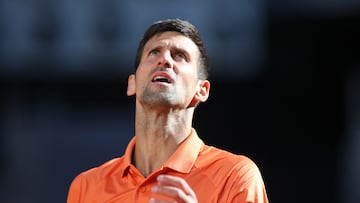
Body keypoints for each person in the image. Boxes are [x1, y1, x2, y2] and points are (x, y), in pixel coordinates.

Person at [67, 18, 269, 203]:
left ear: (202, 90)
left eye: (179, 56)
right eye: (154, 52)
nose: (164, 60)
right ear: (132, 84)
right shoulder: (86, 187)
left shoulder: (235, 176)